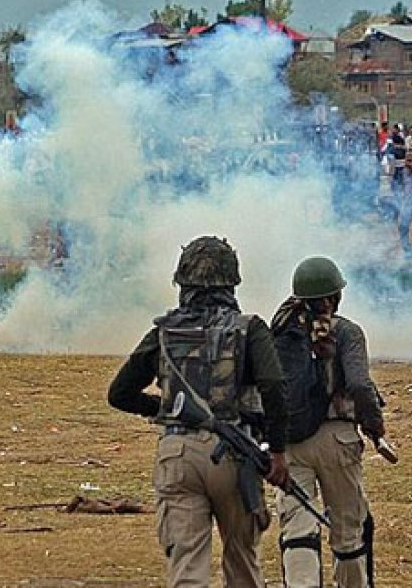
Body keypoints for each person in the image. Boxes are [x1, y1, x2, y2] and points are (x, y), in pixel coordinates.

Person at [107, 236, 289, 588]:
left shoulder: (163, 331)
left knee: (187, 566)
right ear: (232, 281)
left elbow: (120, 393)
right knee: (242, 562)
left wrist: (169, 409)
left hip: (177, 453)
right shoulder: (248, 328)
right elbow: (274, 387)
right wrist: (278, 451)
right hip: (235, 455)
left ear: (183, 282)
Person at [272, 257, 386, 588]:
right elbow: (361, 386)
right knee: (349, 530)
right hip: (337, 440)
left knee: (297, 529)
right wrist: (374, 424)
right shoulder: (347, 331)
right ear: (335, 295)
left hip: (291, 441)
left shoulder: (279, 331)